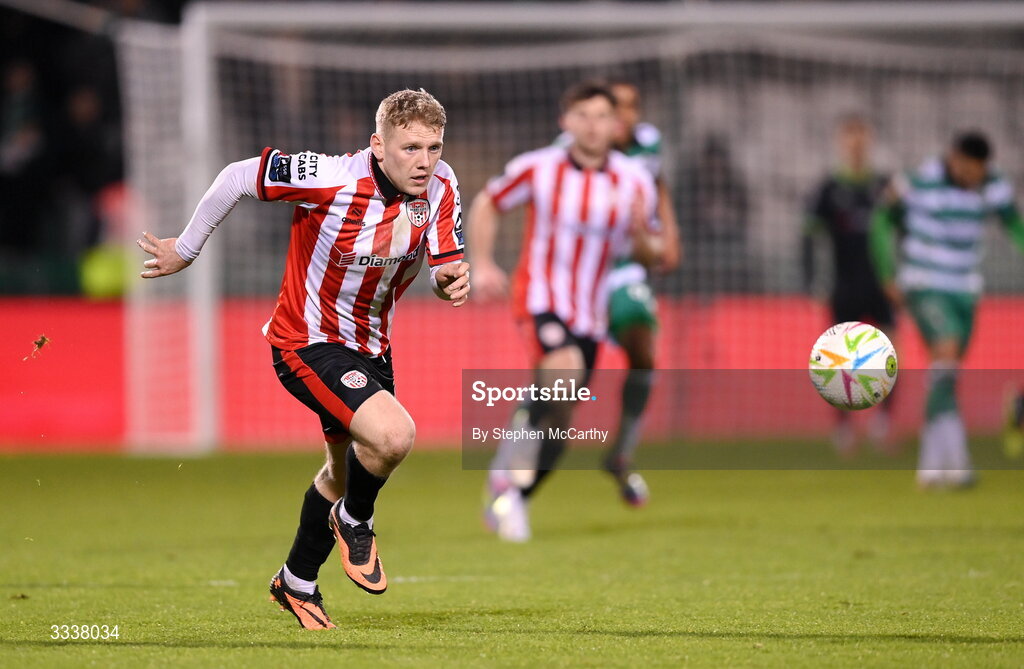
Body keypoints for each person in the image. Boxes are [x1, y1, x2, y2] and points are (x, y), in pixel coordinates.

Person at [136, 89, 469, 629]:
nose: (424, 161)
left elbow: (443, 264)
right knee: (393, 437)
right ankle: (356, 521)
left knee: (343, 473)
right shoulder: (331, 177)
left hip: (372, 348)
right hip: (305, 343)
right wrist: (188, 248)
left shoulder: (444, 185)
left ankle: (296, 581)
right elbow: (239, 176)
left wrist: (449, 281)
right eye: (411, 148)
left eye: (433, 147)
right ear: (378, 145)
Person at [470, 81, 663, 541]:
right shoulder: (539, 167)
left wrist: (641, 239)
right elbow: (487, 203)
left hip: (590, 314)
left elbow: (651, 250)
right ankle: (506, 477)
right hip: (540, 298)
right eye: (583, 115)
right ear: (566, 121)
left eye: (601, 117)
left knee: (562, 421)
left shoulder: (635, 180)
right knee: (564, 373)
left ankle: (514, 492)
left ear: (616, 126)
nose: (592, 126)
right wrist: (481, 264)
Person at [870, 130, 1024, 489]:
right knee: (947, 350)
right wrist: (886, 272)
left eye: (980, 171)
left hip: (964, 290)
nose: (975, 177)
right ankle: (958, 463)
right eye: (970, 169)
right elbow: (880, 221)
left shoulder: (994, 184)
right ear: (954, 159)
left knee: (946, 370)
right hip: (924, 284)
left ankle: (930, 465)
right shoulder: (915, 182)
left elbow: (1014, 224)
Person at [597, 79, 681, 505]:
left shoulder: (649, 144)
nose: (624, 115)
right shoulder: (573, 149)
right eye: (617, 107)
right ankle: (521, 457)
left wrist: (670, 234)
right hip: (582, 272)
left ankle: (623, 452)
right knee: (566, 376)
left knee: (645, 352)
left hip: (626, 267)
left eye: (631, 106)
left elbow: (660, 187)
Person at [803, 115, 894, 454]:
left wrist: (900, 276)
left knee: (889, 352)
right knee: (839, 357)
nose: (856, 144)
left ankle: (883, 424)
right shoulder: (828, 188)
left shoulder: (885, 186)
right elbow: (808, 236)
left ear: (869, 141)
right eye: (849, 137)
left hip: (881, 283)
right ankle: (844, 428)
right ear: (841, 142)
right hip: (844, 284)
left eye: (861, 137)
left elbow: (906, 230)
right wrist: (812, 281)